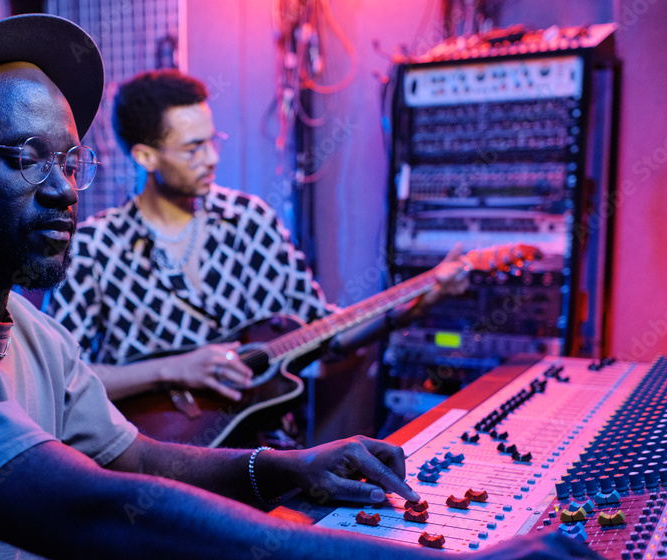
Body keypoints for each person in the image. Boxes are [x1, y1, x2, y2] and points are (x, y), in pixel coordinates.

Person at [0, 11, 644, 560]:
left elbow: (132, 460)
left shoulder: (30, 330)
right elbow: (93, 510)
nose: (65, 189)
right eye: (23, 159)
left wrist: (279, 470)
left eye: (71, 160)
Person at [46, 69, 465, 416]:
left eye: (212, 141)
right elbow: (61, 379)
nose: (212, 158)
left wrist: (416, 305)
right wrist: (174, 370)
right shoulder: (95, 248)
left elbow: (326, 334)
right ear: (146, 157)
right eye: (193, 148)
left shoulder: (251, 222)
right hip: (151, 459)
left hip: (259, 450)